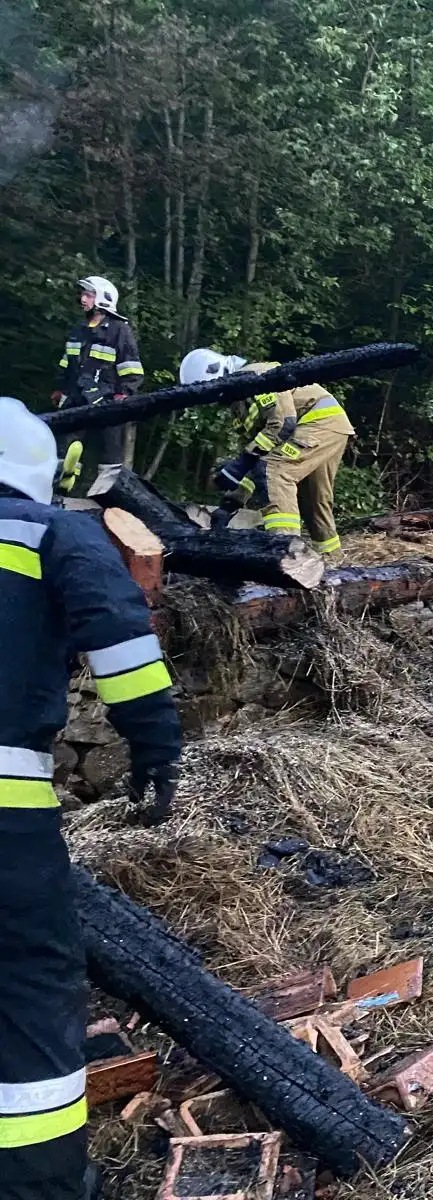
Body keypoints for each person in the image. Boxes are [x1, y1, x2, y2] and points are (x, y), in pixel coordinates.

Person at [0, 397, 181, 1200]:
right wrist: (155, 745)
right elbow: (121, 640)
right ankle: (39, 1183)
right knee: (30, 987)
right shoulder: (50, 532)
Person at [179, 350, 352, 555]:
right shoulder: (239, 401)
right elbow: (255, 457)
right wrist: (230, 504)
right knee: (313, 498)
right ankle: (333, 560)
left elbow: (284, 424)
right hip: (330, 427)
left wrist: (242, 463)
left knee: (275, 471)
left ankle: (286, 552)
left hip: (318, 422)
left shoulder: (255, 377)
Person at [53, 276, 144, 468]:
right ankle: (59, 490)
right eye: (82, 295)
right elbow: (66, 363)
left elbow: (132, 369)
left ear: (103, 299)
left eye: (88, 295)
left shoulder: (119, 331)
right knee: (65, 452)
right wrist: (60, 389)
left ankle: (112, 493)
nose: (82, 300)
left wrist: (123, 394)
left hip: (107, 400)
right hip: (75, 399)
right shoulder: (79, 329)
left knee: (110, 455)